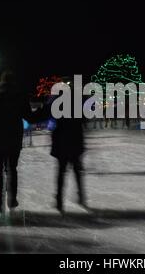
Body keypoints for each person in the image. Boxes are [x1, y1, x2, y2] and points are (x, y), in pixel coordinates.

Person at [0, 71, 33, 213]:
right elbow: (30, 117)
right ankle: (12, 199)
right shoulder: (19, 95)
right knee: (12, 169)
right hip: (14, 139)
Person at [48, 83, 88, 213]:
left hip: (62, 144)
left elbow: (51, 120)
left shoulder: (57, 104)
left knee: (61, 173)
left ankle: (59, 201)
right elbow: (84, 119)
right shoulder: (76, 104)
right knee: (76, 171)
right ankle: (81, 196)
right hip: (75, 142)